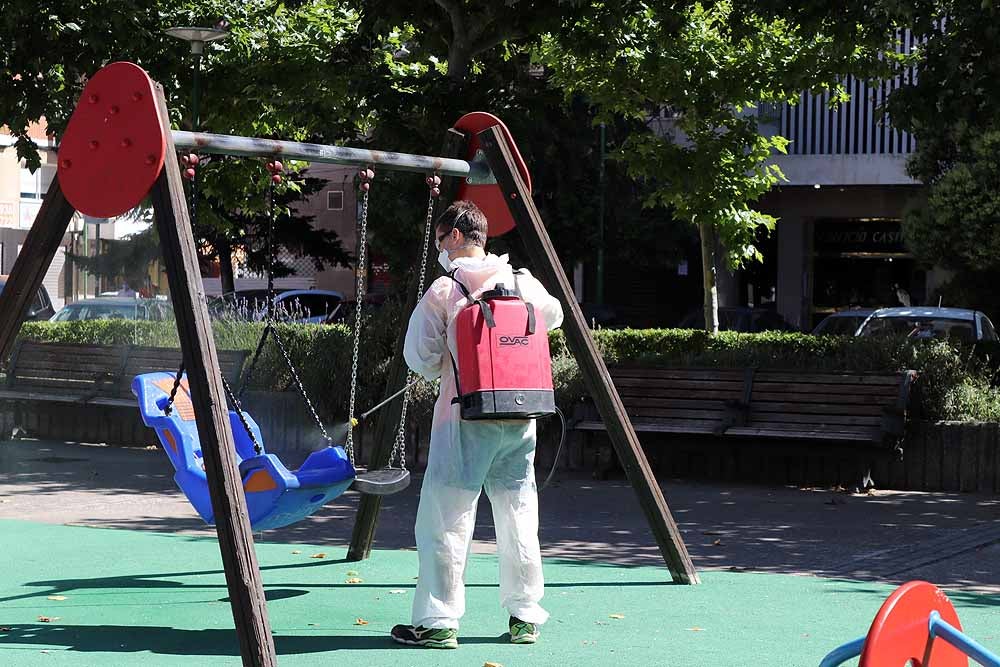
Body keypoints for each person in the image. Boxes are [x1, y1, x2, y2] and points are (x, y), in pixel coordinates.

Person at [392, 200, 563, 650]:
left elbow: (420, 358)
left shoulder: (445, 291)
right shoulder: (523, 281)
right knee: (519, 513)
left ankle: (438, 621)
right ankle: (525, 616)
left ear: (452, 236)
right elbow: (553, 316)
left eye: (439, 238)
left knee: (446, 520)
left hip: (464, 417)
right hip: (521, 413)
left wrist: (454, 360)